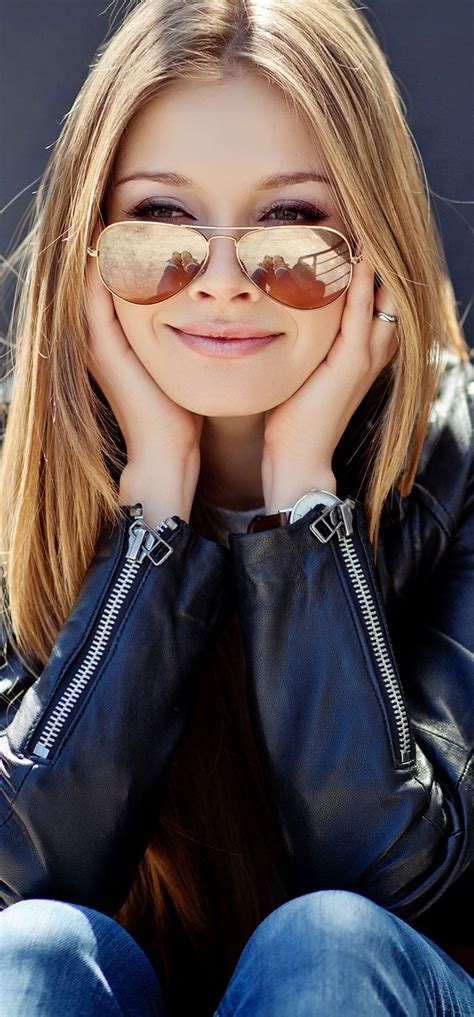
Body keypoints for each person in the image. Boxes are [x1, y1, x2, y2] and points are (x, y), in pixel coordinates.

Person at [0, 1, 473, 1015]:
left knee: (330, 946)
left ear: (377, 245)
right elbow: (22, 876)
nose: (220, 281)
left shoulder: (461, 465)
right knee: (29, 954)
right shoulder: (14, 471)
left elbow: (399, 884)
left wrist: (303, 502)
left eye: (293, 225)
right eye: (161, 223)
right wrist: (152, 526)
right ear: (86, 253)